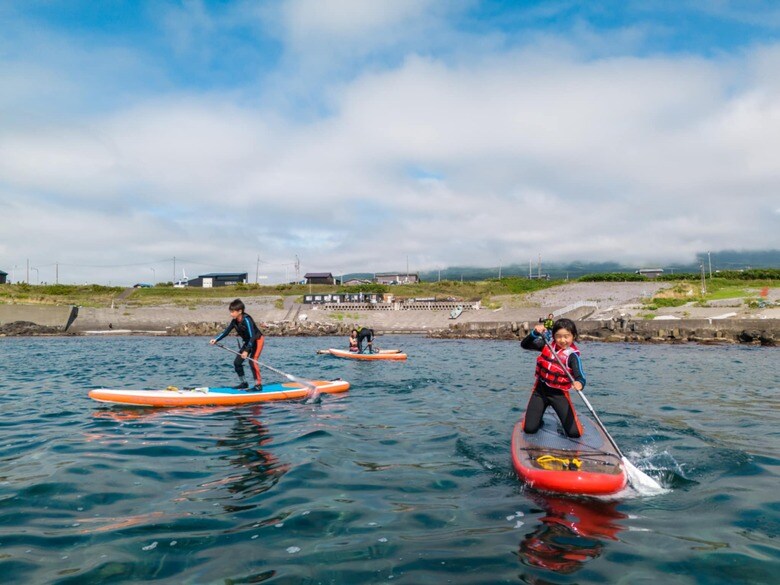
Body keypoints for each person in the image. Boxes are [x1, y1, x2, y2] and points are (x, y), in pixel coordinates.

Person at [520, 318, 585, 438]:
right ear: (554, 336)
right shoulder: (547, 345)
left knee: (574, 434)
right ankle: (537, 419)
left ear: (573, 336)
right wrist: (534, 334)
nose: (562, 340)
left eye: (567, 336)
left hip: (559, 394)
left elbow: (580, 376)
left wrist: (579, 383)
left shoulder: (572, 356)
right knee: (529, 429)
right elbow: (524, 345)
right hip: (540, 392)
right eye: (558, 336)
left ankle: (568, 422)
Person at [210, 299, 265, 390]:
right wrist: (216, 339)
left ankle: (258, 385)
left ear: (240, 311)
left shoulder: (247, 320)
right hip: (248, 342)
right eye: (230, 312)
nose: (231, 314)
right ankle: (244, 383)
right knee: (237, 363)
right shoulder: (234, 321)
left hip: (257, 340)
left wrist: (246, 351)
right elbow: (226, 332)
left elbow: (252, 336)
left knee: (252, 361)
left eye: (232, 312)